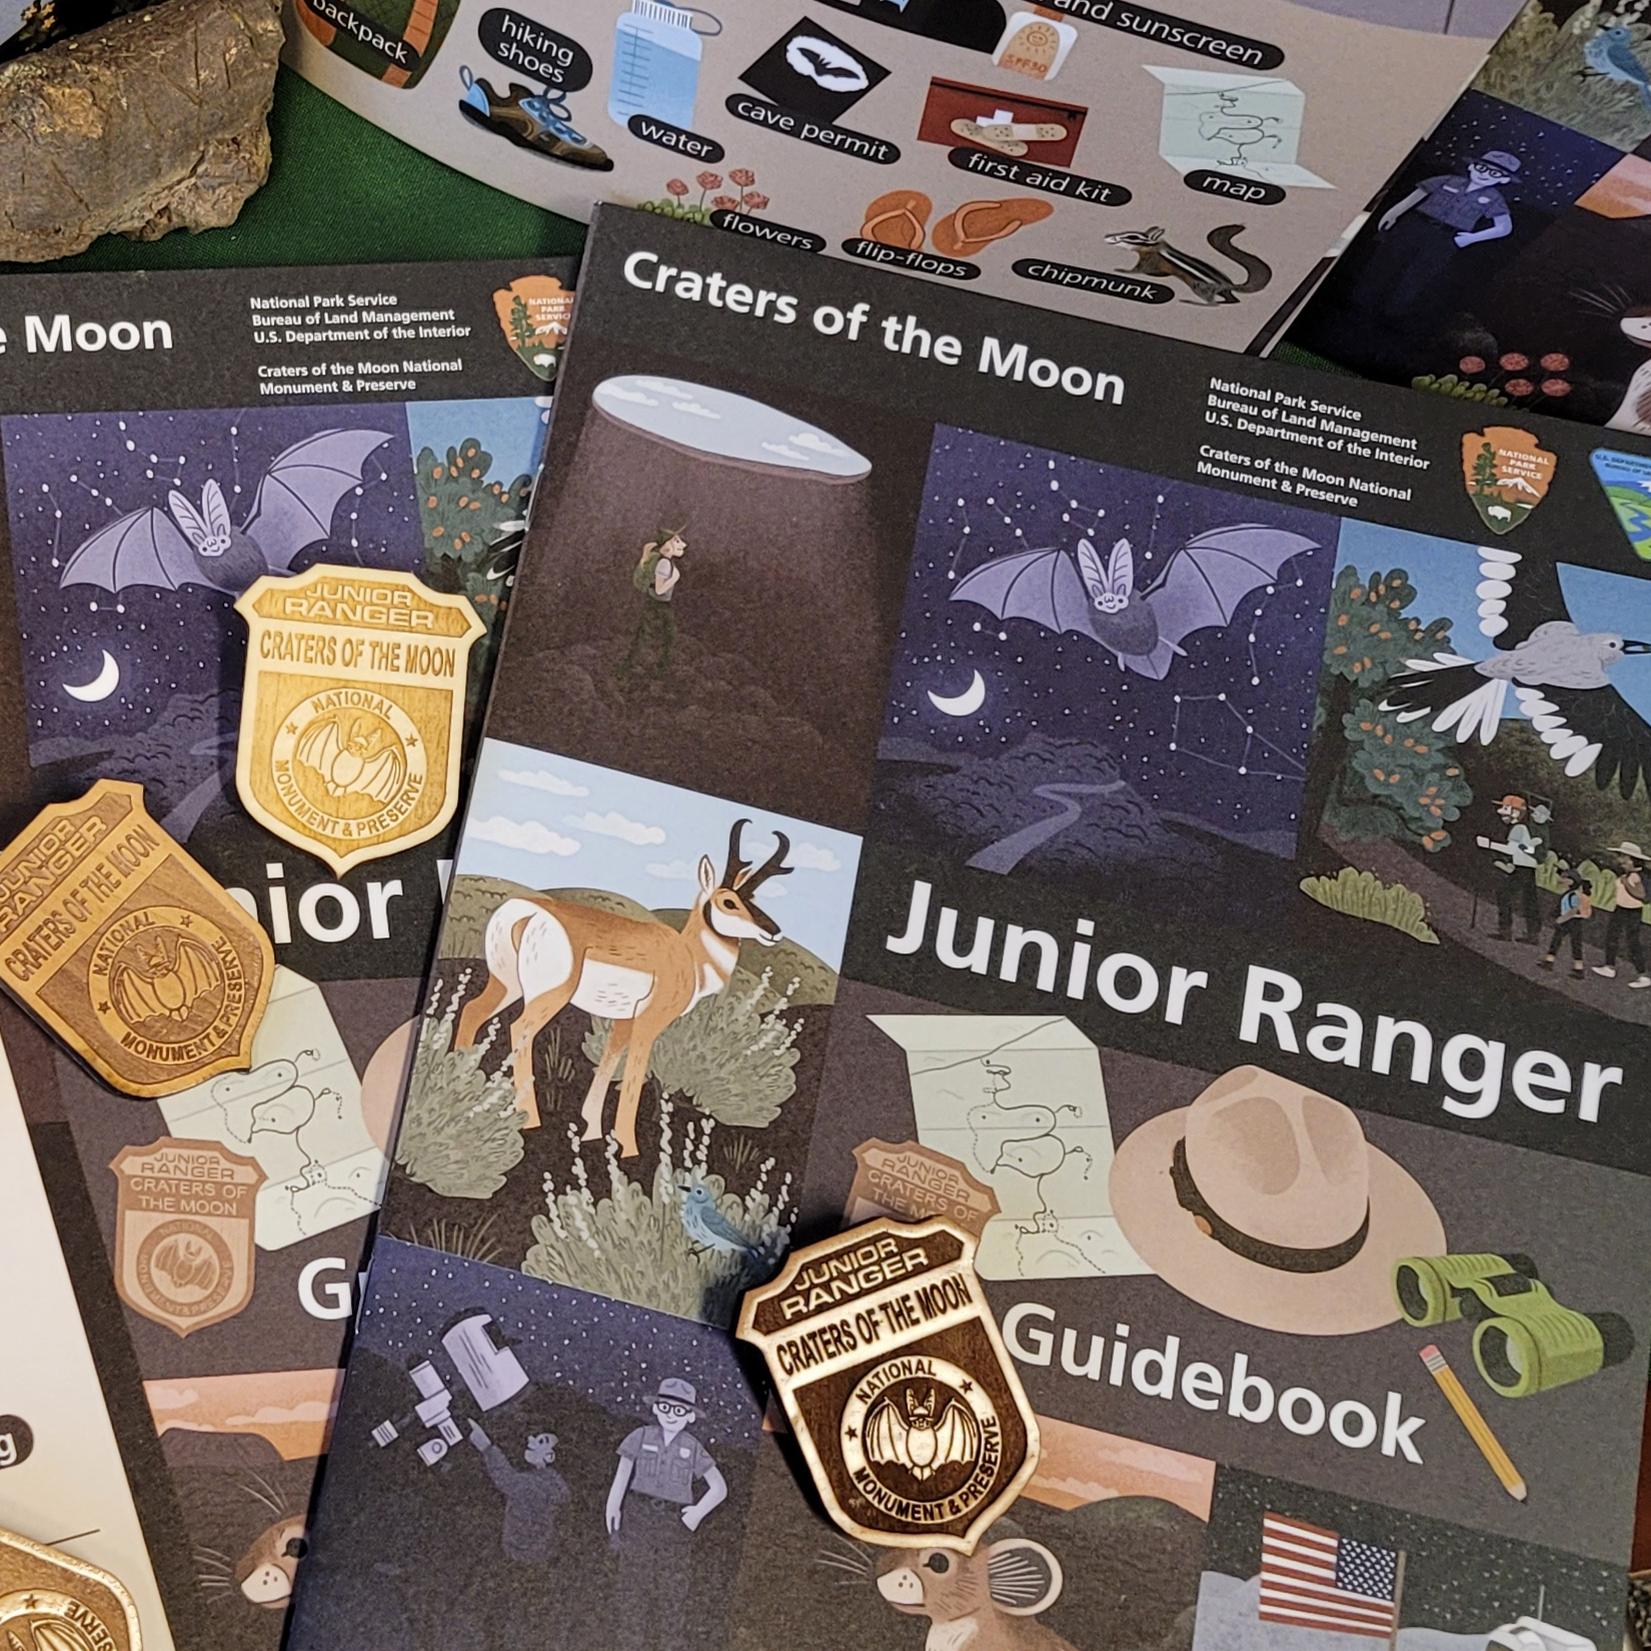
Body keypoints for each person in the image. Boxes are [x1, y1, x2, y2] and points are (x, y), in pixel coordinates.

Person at [605, 1376, 727, 1649]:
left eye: (680, 1410)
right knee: (633, 1585)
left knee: (672, 1589)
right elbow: (620, 1480)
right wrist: (614, 1516)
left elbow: (719, 1488)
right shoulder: (640, 1436)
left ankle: (670, 1644)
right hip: (638, 1516)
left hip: (674, 1523)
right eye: (666, 1407)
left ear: (690, 1417)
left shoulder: (693, 1447)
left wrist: (696, 1514)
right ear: (656, 1408)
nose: (672, 1415)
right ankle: (629, 1643)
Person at [1360, 148, 1518, 320]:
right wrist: (1393, 214)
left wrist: (1471, 239)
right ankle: (1360, 301)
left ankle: (1392, 313)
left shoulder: (1494, 198)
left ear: (1504, 179)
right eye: (1482, 168)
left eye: (1494, 173)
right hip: (1415, 225)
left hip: (1445, 238)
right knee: (1387, 260)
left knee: (1419, 274)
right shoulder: (1447, 180)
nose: (1486, 175)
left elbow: (1504, 228)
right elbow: (1414, 197)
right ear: (1472, 166)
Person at [467, 1417, 570, 1647]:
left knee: (503, 1609)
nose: (532, 1440)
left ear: (550, 1457)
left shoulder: (535, 1485)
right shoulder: (553, 1485)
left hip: (518, 1557)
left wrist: (486, 1447)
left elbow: (507, 1479)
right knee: (534, 1612)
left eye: (542, 1441)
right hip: (537, 1558)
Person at [619, 526, 687, 679]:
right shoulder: (664, 564)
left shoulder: (665, 562)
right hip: (658, 604)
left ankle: (631, 667)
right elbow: (659, 589)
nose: (683, 544)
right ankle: (637, 668)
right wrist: (674, 578)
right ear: (667, 545)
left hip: (657, 604)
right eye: (677, 541)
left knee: (654, 635)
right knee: (661, 636)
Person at [1476, 793, 1543, 944]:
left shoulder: (1518, 828)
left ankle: (1506, 930)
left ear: (1516, 812)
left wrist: (1488, 844)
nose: (1502, 812)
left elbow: (1512, 849)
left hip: (1523, 867)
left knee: (1505, 894)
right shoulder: (1521, 827)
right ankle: (1532, 934)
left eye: (1506, 809)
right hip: (1527, 867)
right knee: (1529, 900)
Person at [1592, 843, 1651, 989]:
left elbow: (1642, 895)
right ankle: (1609, 966)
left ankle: (1643, 975)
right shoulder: (1628, 874)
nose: (1621, 861)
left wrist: (1626, 884)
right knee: (1612, 937)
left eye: (1625, 858)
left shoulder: (1636, 876)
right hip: (1620, 909)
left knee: (1632, 942)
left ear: (1633, 860)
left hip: (1632, 911)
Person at [1539, 863, 1591, 978]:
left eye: (1564, 878)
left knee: (1571, 943)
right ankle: (1553, 962)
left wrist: (1561, 919)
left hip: (1571, 921)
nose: (1561, 879)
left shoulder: (1574, 895)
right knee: (1563, 941)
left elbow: (1573, 910)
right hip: (1571, 921)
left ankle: (1577, 968)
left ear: (1572, 881)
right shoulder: (1569, 893)